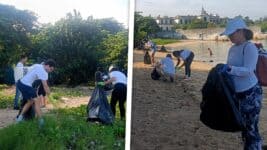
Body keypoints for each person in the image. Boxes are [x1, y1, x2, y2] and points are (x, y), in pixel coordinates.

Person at [220, 17, 263, 149]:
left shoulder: (250, 47)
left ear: (241, 31)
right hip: (237, 94)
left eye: (231, 34)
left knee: (251, 128)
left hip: (251, 93)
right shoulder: (232, 49)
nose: (229, 37)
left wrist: (230, 69)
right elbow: (230, 67)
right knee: (244, 126)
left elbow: (249, 70)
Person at [16, 59, 56, 127]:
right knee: (37, 101)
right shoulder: (43, 72)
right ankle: (41, 122)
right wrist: (51, 97)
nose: (50, 71)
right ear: (47, 66)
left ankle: (19, 118)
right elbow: (45, 86)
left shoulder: (38, 65)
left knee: (30, 101)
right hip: (26, 85)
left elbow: (29, 69)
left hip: (20, 83)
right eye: (51, 69)